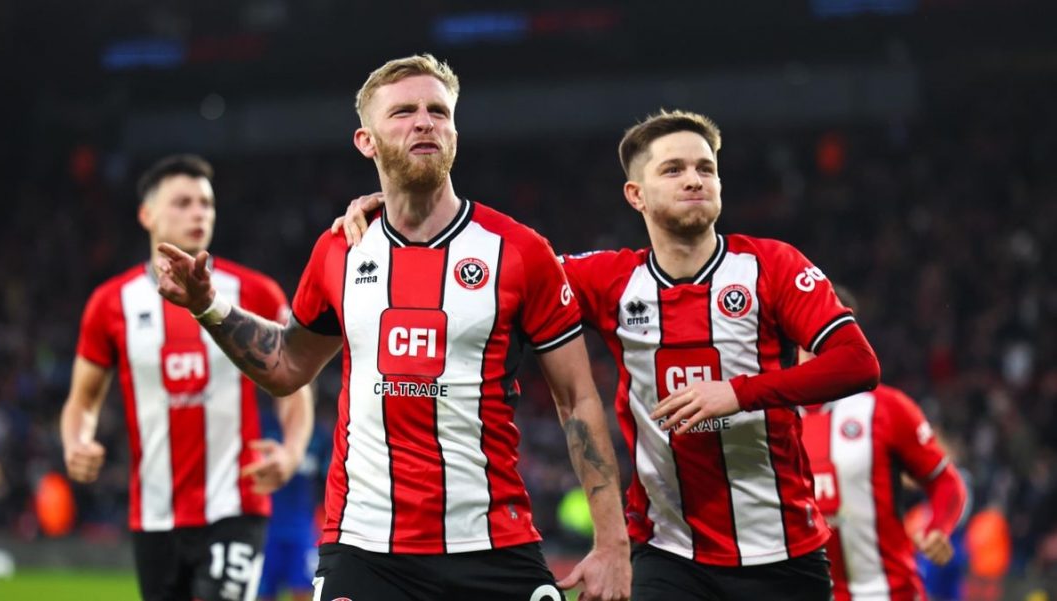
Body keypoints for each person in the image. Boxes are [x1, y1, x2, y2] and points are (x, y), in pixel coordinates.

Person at [335, 109, 882, 600]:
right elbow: (506, 262)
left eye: (705, 168)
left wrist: (737, 392)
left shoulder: (772, 266)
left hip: (785, 551)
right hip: (668, 553)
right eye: (672, 169)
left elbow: (857, 363)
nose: (694, 178)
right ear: (636, 195)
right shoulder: (610, 279)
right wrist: (400, 212)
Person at [156, 55, 631, 601]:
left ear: (455, 131)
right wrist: (208, 305)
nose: (424, 121)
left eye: (438, 111)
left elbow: (577, 399)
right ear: (367, 141)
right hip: (364, 550)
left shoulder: (519, 252)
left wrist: (612, 545)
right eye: (403, 112)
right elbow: (287, 366)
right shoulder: (340, 249)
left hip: (492, 544)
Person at [60, 154, 314, 601]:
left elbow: (294, 384)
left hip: (236, 505)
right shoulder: (109, 304)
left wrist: (292, 452)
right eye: (182, 202)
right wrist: (76, 441)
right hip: (154, 515)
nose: (199, 212)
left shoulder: (254, 292)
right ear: (147, 214)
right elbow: (83, 400)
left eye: (206, 203)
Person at [799, 287, 968, 601]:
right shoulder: (771, 420)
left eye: (831, 331)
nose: (816, 342)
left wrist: (939, 527)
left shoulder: (887, 409)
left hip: (889, 593)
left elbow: (944, 481)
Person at [257, 403, 331, 601]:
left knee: (304, 591)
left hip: (303, 529)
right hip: (266, 528)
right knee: (263, 593)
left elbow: (329, 483)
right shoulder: (261, 426)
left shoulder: (319, 435)